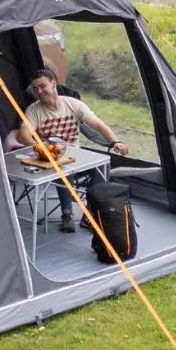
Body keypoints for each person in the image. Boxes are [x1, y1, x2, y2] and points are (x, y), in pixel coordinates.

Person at [17, 68, 129, 233]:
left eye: (42, 86)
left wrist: (115, 141)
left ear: (53, 84)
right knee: (64, 170)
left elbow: (97, 124)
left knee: (102, 165)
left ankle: (90, 212)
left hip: (76, 155)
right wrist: (43, 149)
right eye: (35, 89)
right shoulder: (34, 110)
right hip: (51, 158)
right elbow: (23, 135)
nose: (39, 91)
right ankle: (67, 215)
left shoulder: (72, 104)